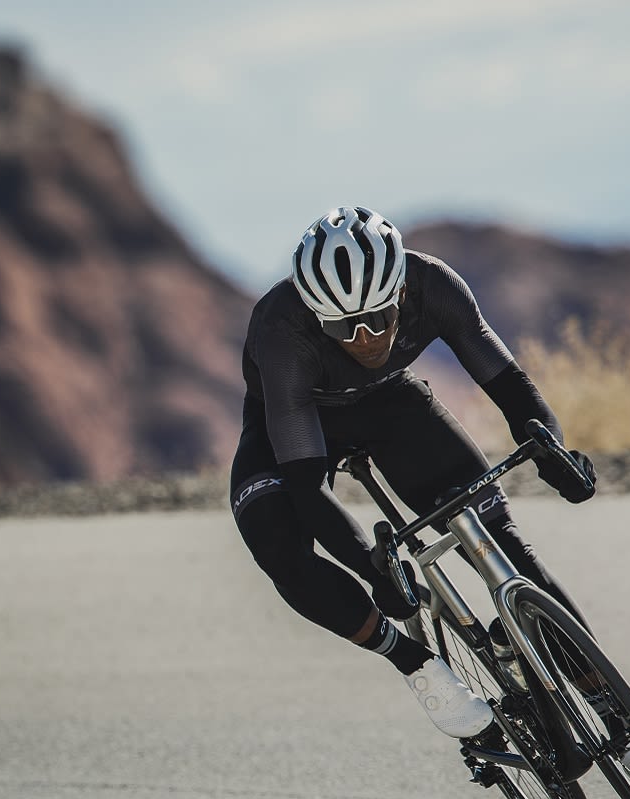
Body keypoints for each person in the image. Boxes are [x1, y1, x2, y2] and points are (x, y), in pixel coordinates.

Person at [230, 205, 598, 741]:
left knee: (507, 550)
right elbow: (306, 485)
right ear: (315, 312)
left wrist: (552, 451)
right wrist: (372, 569)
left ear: (400, 293)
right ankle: (416, 663)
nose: (363, 338)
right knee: (277, 547)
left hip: (392, 407)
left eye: (377, 319)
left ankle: (616, 718)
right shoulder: (282, 329)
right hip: (290, 429)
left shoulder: (433, 285)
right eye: (342, 326)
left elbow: (510, 386)